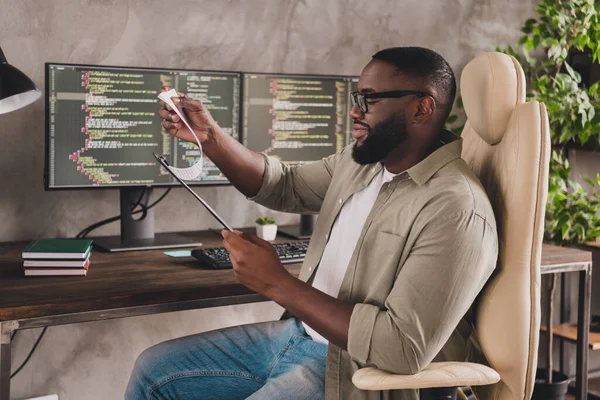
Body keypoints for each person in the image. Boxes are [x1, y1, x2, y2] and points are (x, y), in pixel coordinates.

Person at [125, 46, 498, 400]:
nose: (354, 112)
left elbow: (401, 348)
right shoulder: (362, 163)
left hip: (356, 373)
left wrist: (278, 283)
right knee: (152, 372)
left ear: (422, 108)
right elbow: (285, 185)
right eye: (356, 98)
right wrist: (211, 139)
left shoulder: (456, 208)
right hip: (298, 334)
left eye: (368, 100)